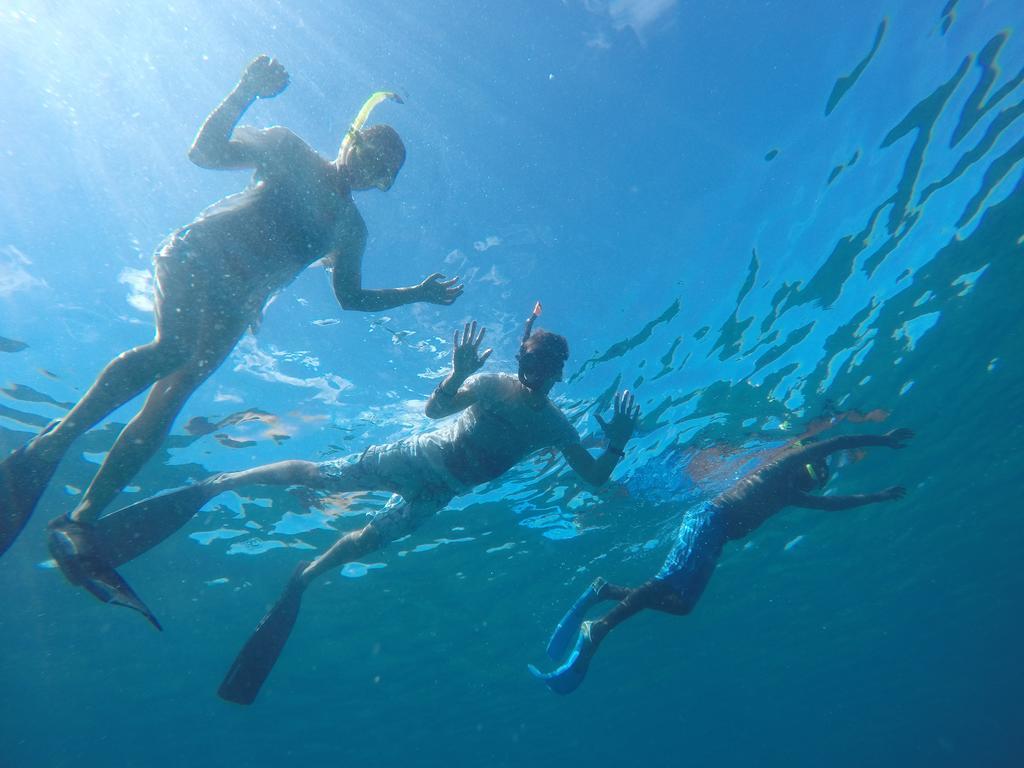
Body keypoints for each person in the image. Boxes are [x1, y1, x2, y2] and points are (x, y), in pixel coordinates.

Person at [0, 56, 462, 579]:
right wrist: (244, 90)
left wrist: (416, 293)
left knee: (168, 402)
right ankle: (54, 442)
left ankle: (83, 519)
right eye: (369, 154)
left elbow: (350, 298)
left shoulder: (350, 230)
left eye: (383, 173)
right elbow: (204, 152)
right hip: (195, 258)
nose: (369, 170)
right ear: (350, 140)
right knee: (173, 348)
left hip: (235, 305)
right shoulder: (290, 150)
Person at [79, 309, 642, 702]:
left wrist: (615, 442)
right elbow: (432, 411)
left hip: (438, 493)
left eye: (547, 372)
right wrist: (458, 374)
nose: (537, 377)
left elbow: (593, 479)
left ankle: (304, 576)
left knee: (370, 539)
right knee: (327, 478)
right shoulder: (494, 386)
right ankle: (225, 481)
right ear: (523, 361)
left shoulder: (554, 425)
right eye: (532, 366)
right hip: (415, 457)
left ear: (559, 374)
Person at [529, 427, 915, 694]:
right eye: (812, 473)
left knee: (682, 605)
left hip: (718, 538)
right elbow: (837, 442)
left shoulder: (790, 495)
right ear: (802, 463)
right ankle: (598, 629)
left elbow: (834, 504)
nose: (811, 483)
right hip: (707, 518)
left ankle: (604, 590)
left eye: (816, 482)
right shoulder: (779, 468)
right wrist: (882, 439)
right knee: (665, 581)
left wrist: (877, 497)